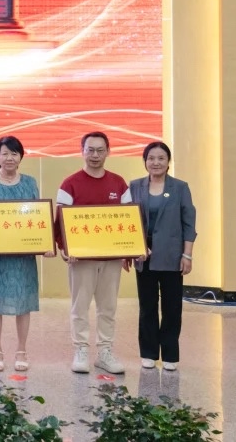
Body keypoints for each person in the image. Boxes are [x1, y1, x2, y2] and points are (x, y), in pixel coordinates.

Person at [0, 136, 55, 373]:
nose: (9, 158)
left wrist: (46, 243)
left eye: (14, 153)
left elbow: (38, 217)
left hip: (23, 255)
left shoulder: (29, 182)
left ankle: (21, 350)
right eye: (5, 153)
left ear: (21, 157)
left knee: (23, 302)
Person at [57, 130, 133, 375]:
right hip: (81, 259)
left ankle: (105, 352)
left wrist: (130, 250)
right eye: (90, 150)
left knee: (108, 308)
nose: (95, 155)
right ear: (82, 151)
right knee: (79, 307)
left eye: (100, 150)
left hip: (111, 259)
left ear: (108, 152)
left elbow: (129, 220)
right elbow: (60, 221)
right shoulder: (69, 184)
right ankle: (80, 350)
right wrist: (65, 248)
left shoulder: (119, 183)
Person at [128, 141, 197, 372]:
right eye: (151, 158)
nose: (155, 162)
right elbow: (127, 220)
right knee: (147, 306)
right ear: (144, 161)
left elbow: (189, 223)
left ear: (168, 162)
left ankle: (170, 354)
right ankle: (148, 353)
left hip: (172, 255)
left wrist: (187, 255)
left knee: (172, 307)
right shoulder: (134, 186)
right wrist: (131, 248)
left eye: (161, 158)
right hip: (143, 255)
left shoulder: (180, 187)